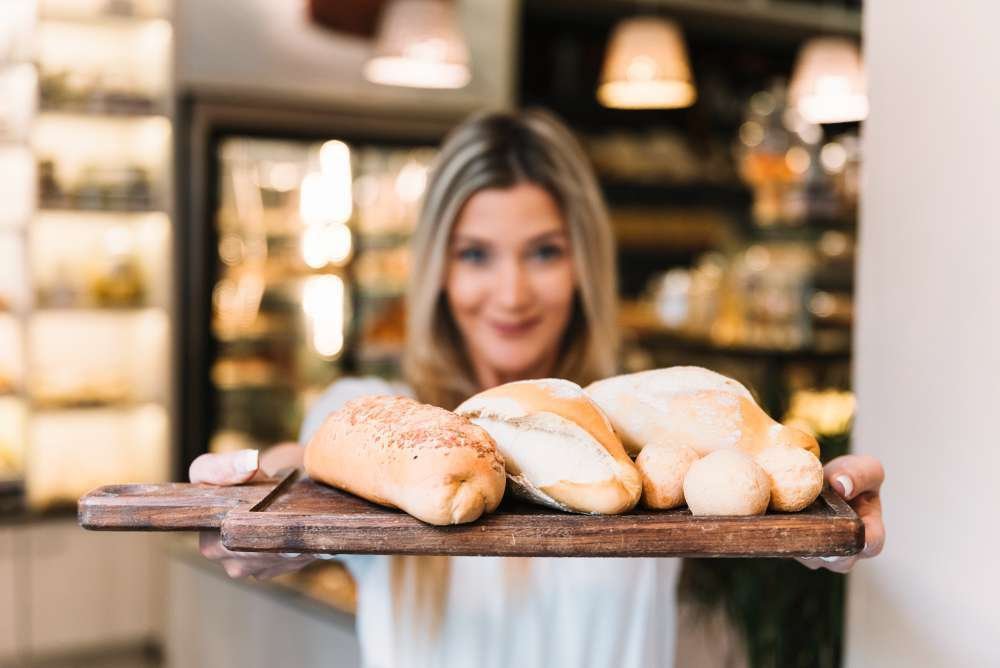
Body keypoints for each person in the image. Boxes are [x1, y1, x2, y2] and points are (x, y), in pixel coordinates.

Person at [192, 110, 885, 668]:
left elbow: (762, 494)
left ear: (584, 262)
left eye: (545, 252)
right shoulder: (383, 427)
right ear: (438, 269)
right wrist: (255, 509)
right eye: (475, 254)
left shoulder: (649, 438)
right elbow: (299, 462)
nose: (512, 293)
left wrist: (823, 525)